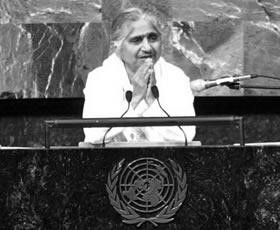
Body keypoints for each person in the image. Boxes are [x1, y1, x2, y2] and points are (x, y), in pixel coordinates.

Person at [82, 7, 196, 145]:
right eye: (136, 40)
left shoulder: (175, 77)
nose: (147, 47)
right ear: (116, 45)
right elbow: (95, 135)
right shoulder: (100, 78)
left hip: (166, 163)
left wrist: (152, 101)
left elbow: (186, 135)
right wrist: (135, 98)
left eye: (153, 38)